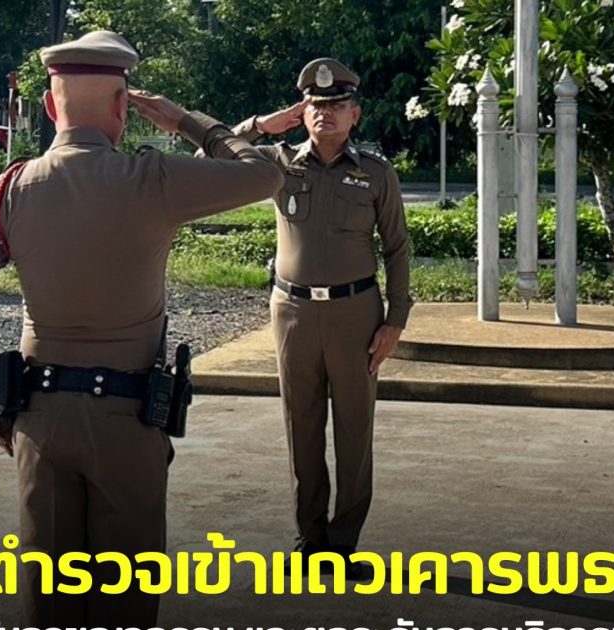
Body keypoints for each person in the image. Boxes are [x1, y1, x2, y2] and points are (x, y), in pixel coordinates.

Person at [0, 30, 283, 626]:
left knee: (48, 601)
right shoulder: (152, 180)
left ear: (49, 106)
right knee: (126, 602)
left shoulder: (9, 190)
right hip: (128, 420)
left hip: (40, 418)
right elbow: (262, 173)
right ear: (124, 105)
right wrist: (186, 122)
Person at [226, 58, 412, 576]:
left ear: (355, 114)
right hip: (293, 313)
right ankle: (310, 537)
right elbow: (209, 154)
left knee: (354, 429)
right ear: (301, 112)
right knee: (301, 424)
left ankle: (344, 542)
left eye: (335, 105)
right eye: (314, 105)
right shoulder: (277, 163)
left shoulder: (375, 173)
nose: (324, 113)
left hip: (356, 314)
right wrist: (262, 125)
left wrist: (395, 320)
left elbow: (397, 248)